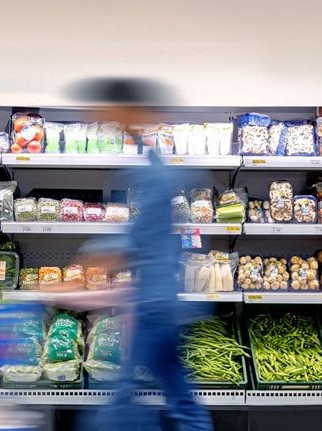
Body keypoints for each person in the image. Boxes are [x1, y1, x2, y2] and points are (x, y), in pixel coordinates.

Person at [69, 78, 214, 431]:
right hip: (158, 298)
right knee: (177, 396)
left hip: (154, 303)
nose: (100, 117)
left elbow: (139, 238)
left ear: (128, 111)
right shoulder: (149, 161)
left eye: (106, 110)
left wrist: (92, 257)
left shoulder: (153, 172)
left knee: (122, 402)